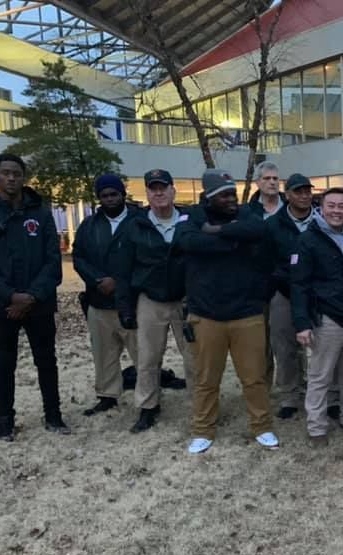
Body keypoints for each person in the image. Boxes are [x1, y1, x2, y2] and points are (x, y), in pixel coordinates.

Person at [175, 169, 279, 454]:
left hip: (247, 313)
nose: (231, 199)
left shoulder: (245, 214)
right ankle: (202, 430)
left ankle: (262, 426)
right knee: (206, 379)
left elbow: (259, 230)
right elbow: (188, 242)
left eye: (233, 193)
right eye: (224, 195)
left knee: (254, 377)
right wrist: (234, 243)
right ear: (209, 198)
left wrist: (218, 232)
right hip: (206, 315)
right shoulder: (192, 216)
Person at [0, 152, 67, 440]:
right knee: (4, 364)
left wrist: (31, 297)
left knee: (46, 361)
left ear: (24, 178)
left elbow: (52, 263)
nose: (11, 178)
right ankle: (6, 422)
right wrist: (11, 296)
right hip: (2, 307)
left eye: (16, 173)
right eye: (5, 172)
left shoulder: (42, 215)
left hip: (39, 304)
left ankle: (54, 416)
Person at [116, 169, 194, 433]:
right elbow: (123, 269)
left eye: (163, 187)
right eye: (153, 189)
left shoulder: (190, 219)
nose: (159, 193)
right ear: (147, 193)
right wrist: (125, 307)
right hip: (150, 299)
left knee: (194, 356)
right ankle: (148, 407)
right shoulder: (135, 225)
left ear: (173, 190)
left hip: (186, 298)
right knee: (148, 357)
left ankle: (202, 404)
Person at [291, 188, 343, 443]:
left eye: (341, 206)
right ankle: (317, 426)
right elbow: (298, 284)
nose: (336, 211)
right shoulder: (307, 240)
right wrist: (302, 323)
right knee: (320, 375)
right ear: (321, 208)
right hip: (326, 317)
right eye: (331, 206)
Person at [73, 174, 139, 416]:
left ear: (123, 194)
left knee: (143, 355)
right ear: (99, 198)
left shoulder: (139, 220)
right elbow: (78, 257)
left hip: (132, 303)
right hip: (99, 301)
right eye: (104, 195)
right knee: (104, 353)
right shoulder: (89, 225)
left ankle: (148, 400)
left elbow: (146, 259)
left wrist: (120, 283)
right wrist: (97, 279)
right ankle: (107, 395)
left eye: (114, 194)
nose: (110, 199)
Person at [266, 173, 316, 419]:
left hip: (317, 293)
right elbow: (266, 259)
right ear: (288, 195)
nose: (305, 195)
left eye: (307, 191)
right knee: (284, 347)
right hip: (283, 292)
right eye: (298, 191)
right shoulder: (273, 224)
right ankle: (289, 396)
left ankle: (328, 394)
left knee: (323, 346)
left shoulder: (321, 219)